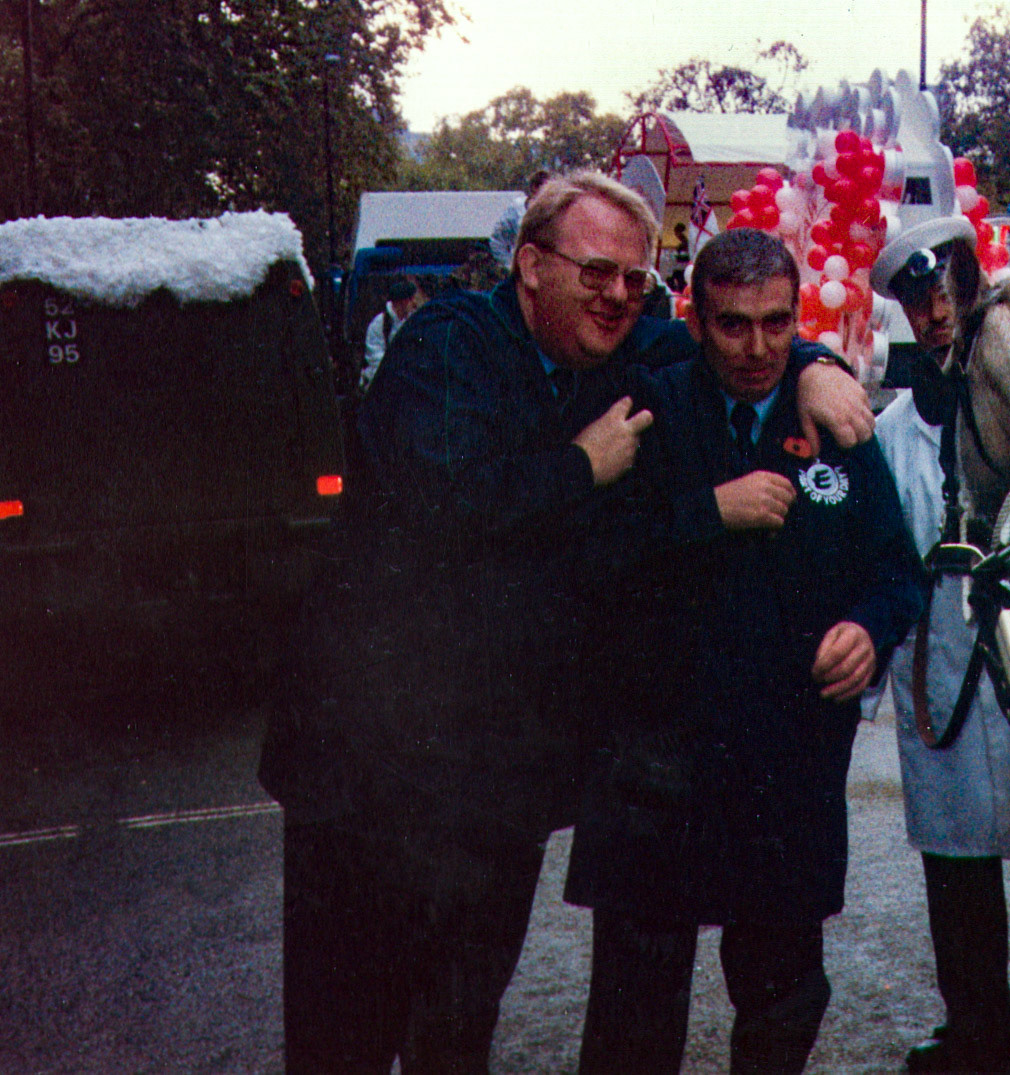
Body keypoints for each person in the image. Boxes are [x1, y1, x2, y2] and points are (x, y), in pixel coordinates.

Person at [258, 173, 873, 1075]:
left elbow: (740, 336)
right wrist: (581, 465)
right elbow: (441, 509)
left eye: (635, 278)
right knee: (343, 1035)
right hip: (368, 775)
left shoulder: (622, 352)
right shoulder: (445, 345)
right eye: (597, 271)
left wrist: (818, 362)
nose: (619, 294)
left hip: (490, 783)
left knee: (457, 1029)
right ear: (532, 265)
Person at [562, 228, 925, 1075]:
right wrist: (704, 512)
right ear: (694, 319)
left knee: (782, 1003)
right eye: (732, 325)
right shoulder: (645, 407)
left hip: (784, 763)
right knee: (634, 1015)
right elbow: (588, 557)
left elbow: (897, 572)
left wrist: (872, 627)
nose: (757, 347)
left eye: (776, 324)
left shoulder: (833, 418)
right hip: (658, 764)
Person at [868, 217, 1010, 1074]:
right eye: (919, 299)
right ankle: (978, 1026)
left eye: (948, 292)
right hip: (939, 647)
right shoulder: (892, 429)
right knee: (954, 857)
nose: (937, 313)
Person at [359, 275, 425, 392]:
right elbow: (375, 359)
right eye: (410, 300)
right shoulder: (379, 324)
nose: (414, 304)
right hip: (381, 382)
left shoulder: (412, 322)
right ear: (401, 302)